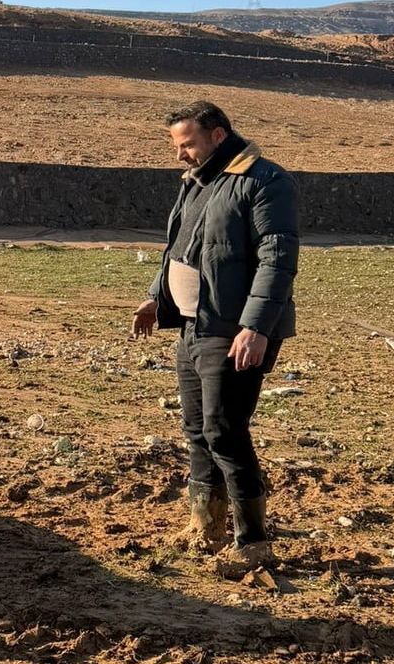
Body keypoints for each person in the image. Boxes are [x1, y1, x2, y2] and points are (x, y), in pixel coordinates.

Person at [131, 101, 299, 578]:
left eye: (188, 145)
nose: (180, 155)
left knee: (224, 429)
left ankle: (253, 541)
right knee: (197, 430)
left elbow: (277, 260)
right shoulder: (199, 183)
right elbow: (181, 251)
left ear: (218, 136)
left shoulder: (265, 182)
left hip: (233, 331)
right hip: (192, 326)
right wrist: (155, 298)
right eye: (177, 147)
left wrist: (255, 326)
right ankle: (204, 523)